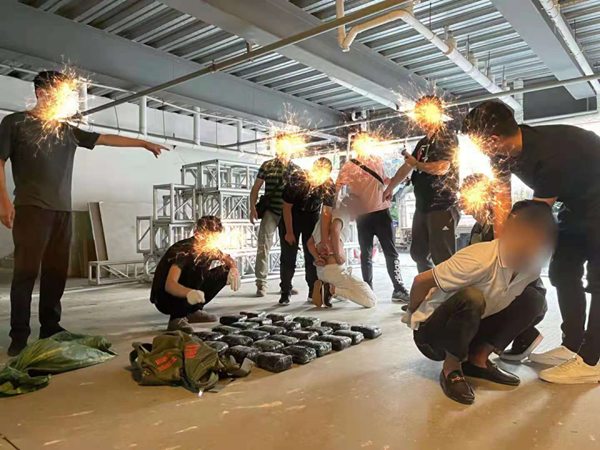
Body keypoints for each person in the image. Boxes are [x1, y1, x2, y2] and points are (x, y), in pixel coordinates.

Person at [0, 71, 169, 357]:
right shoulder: (15, 123)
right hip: (31, 209)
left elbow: (105, 139)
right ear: (40, 93)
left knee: (56, 273)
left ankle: (50, 326)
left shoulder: (65, 130)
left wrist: (142, 142)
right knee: (26, 273)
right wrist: (3, 200)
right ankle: (19, 336)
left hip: (63, 212)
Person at [463, 100, 600, 384]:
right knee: (562, 271)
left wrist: (517, 253)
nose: (479, 150)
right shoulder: (501, 153)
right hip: (576, 204)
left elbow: (536, 219)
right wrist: (499, 249)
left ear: (493, 139)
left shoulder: (551, 156)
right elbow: (502, 196)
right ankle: (572, 345)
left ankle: (592, 360)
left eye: (478, 144)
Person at [402, 200, 556, 405]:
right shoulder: (480, 258)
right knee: (472, 297)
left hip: (471, 329)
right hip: (433, 337)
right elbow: (421, 281)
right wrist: (412, 314)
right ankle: (451, 369)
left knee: (534, 299)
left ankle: (478, 360)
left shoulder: (531, 268)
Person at [459, 174, 547, 362]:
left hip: (524, 296)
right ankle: (525, 334)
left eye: (464, 194)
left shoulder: (498, 227)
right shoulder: (478, 227)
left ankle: (520, 333)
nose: (459, 199)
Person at [384, 96, 460, 274]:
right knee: (419, 253)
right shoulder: (423, 143)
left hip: (442, 205)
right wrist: (390, 187)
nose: (420, 119)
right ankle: (428, 287)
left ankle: (447, 290)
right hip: (423, 206)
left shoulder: (446, 137)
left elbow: (442, 167)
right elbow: (407, 166)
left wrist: (417, 164)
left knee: (442, 256)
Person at [333, 139, 409, 302]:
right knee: (366, 255)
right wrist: (335, 208)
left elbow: (384, 179)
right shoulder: (349, 167)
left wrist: (395, 182)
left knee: (390, 252)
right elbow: (336, 188)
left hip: (382, 212)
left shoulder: (377, 160)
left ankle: (398, 288)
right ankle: (368, 289)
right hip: (363, 216)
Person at [150, 216, 240, 333]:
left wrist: (234, 269)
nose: (212, 243)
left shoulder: (209, 247)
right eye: (209, 238)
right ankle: (176, 318)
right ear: (198, 235)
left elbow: (228, 259)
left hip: (187, 289)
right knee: (192, 272)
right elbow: (170, 285)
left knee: (224, 271)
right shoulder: (183, 251)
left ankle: (193, 311)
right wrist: (189, 293)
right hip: (165, 298)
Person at [279, 157, 335, 305]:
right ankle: (285, 291)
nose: (319, 179)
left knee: (311, 255)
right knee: (288, 256)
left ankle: (312, 290)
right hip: (292, 215)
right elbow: (286, 207)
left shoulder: (329, 185)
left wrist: (323, 241)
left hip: (312, 216)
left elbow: (326, 213)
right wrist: (289, 232)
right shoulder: (297, 177)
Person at [308, 194, 377, 308]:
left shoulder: (323, 220)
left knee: (345, 297)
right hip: (335, 270)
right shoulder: (343, 213)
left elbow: (310, 243)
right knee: (371, 300)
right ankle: (331, 289)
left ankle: (328, 288)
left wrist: (317, 258)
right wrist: (337, 254)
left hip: (321, 271)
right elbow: (334, 229)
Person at [249, 150, 298, 297]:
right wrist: (252, 208)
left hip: (288, 213)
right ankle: (261, 283)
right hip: (271, 210)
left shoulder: (295, 169)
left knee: (288, 249)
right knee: (263, 246)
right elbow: (255, 188)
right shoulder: (267, 165)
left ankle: (286, 284)